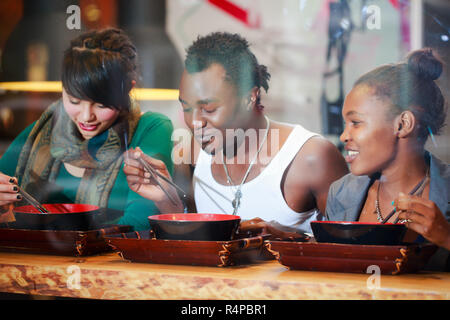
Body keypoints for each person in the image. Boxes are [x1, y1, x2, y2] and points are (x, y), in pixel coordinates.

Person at [124, 32, 348, 238]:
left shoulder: (312, 157)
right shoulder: (196, 153)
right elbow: (198, 243)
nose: (195, 122)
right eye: (187, 108)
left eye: (209, 109)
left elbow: (352, 252)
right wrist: (167, 199)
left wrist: (286, 237)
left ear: (249, 97)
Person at [0, 28, 174, 231]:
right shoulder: (40, 134)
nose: (85, 116)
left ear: (127, 89)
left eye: (101, 105)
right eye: (74, 100)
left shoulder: (150, 129)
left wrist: (56, 233)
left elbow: (141, 223)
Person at [325, 48, 449, 270]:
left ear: (402, 124)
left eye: (356, 122)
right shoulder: (340, 192)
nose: (344, 136)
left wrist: (447, 237)